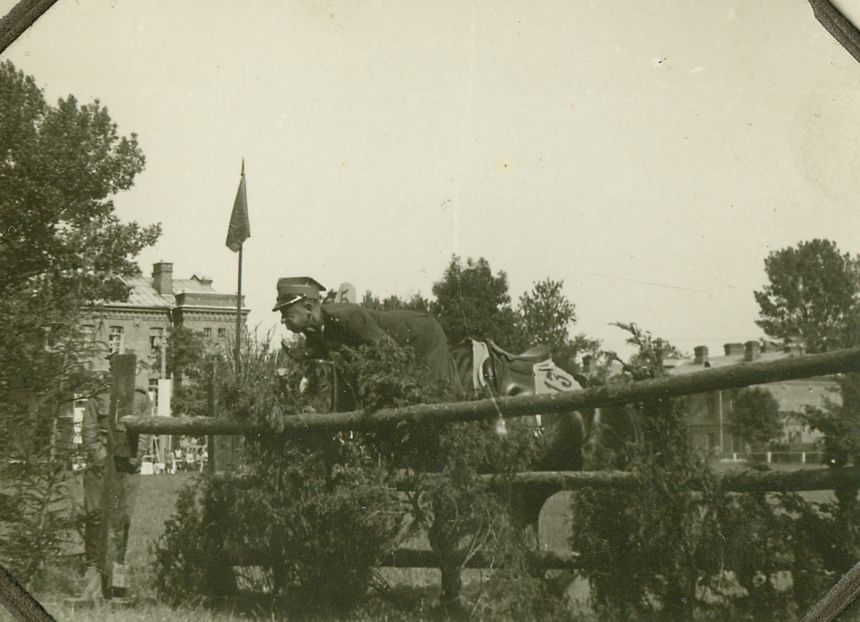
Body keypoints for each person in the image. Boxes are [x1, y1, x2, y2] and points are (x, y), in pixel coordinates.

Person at [273, 276, 459, 388]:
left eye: (286, 313)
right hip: (401, 344)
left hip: (422, 335)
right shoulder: (314, 333)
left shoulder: (348, 316)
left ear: (307, 307)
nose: (282, 320)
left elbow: (390, 353)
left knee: (436, 393)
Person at [78, 363, 152, 601]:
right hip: (100, 467)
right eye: (115, 366)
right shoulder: (98, 395)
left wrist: (133, 460)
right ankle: (93, 569)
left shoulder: (141, 398)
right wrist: (102, 461)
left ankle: (118, 571)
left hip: (127, 468)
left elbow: (145, 431)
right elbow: (89, 429)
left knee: (124, 518)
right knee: (95, 515)